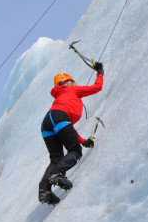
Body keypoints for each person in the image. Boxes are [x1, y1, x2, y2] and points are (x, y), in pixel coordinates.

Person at [39, 63, 104, 205]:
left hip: (47, 123)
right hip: (59, 118)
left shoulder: (59, 98)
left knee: (56, 159)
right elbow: (97, 87)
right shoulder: (72, 90)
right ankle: (57, 174)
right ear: (70, 82)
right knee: (74, 151)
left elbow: (67, 128)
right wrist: (100, 72)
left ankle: (44, 190)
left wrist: (83, 141)